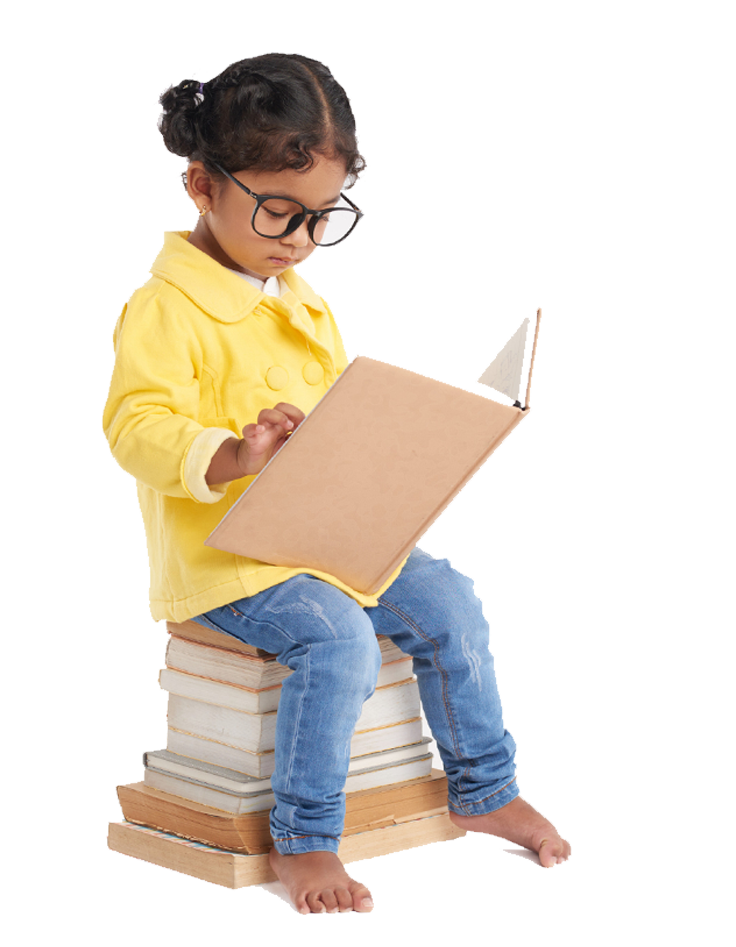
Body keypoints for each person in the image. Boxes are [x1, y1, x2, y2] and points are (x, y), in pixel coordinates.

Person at [103, 53, 570, 916]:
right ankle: (307, 836)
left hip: (325, 532)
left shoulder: (302, 292)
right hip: (228, 563)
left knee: (453, 605)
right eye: (281, 211)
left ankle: (485, 786)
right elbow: (132, 428)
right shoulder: (165, 307)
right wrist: (229, 454)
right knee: (340, 642)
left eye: (324, 216)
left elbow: (342, 413)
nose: (302, 239)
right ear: (203, 184)